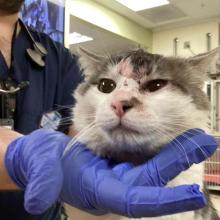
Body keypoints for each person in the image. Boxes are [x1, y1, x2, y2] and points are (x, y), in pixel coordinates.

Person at [0, 1, 218, 220]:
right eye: (106, 87)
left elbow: (77, 130)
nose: (120, 102)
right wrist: (17, 158)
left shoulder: (58, 56)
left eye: (154, 85)